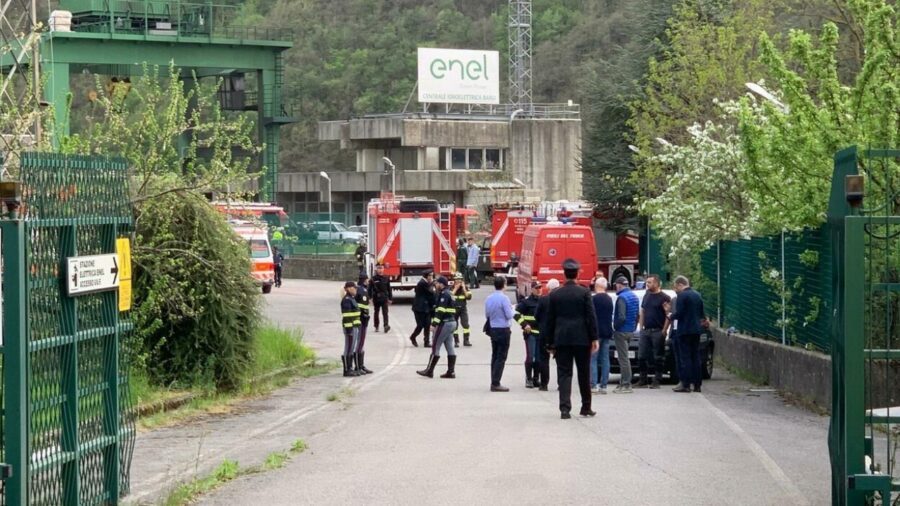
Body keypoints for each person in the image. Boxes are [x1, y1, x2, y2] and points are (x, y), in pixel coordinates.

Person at [545, 259, 600, 419]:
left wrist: (549, 342)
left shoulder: (555, 294)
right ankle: (586, 407)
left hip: (562, 338)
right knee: (584, 372)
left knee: (564, 373)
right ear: (577, 273)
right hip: (582, 339)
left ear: (564, 274)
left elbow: (550, 320)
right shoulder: (584, 293)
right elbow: (591, 316)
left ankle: (564, 409)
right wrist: (594, 337)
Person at [667, 276, 706, 393]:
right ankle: (697, 384)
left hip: (684, 330)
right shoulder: (697, 295)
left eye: (675, 287)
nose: (675, 289)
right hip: (696, 330)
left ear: (680, 284)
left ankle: (686, 384)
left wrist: (670, 316)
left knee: (685, 358)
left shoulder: (682, 296)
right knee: (696, 356)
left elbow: (680, 313)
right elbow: (701, 313)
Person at [417, 276, 458, 378]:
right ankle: (451, 371)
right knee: (449, 346)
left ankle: (429, 371)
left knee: (435, 346)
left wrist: (434, 324)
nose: (435, 285)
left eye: (437, 283)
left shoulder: (444, 294)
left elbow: (441, 311)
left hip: (445, 323)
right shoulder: (450, 293)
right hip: (452, 322)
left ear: (441, 284)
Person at [635, 274, 670, 389]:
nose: (647, 284)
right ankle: (642, 379)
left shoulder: (664, 297)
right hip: (646, 331)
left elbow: (668, 315)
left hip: (657, 330)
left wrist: (664, 330)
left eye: (649, 282)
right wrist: (641, 327)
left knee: (658, 356)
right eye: (647, 282)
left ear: (656, 283)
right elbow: (643, 311)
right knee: (641, 355)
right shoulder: (647, 295)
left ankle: (657, 379)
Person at [485, 276, 514, 392]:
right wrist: (513, 309)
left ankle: (493, 379)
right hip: (503, 329)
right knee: (501, 356)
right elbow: (509, 315)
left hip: (493, 328)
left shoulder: (489, 298)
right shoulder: (504, 299)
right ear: (504, 284)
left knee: (495, 354)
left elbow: (487, 314)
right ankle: (496, 382)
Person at [533, 278, 560, 391]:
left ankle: (544, 384)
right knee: (561, 361)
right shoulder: (562, 299)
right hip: (559, 333)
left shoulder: (543, 300)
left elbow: (536, 315)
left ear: (548, 288)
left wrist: (541, 324)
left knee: (544, 359)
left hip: (544, 333)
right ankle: (561, 384)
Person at [612, 276, 639, 394]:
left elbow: (621, 316)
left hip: (621, 331)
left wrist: (615, 326)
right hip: (630, 330)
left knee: (623, 359)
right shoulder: (634, 296)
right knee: (625, 357)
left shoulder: (622, 298)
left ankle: (626, 384)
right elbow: (637, 315)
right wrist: (633, 327)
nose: (615, 288)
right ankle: (622, 382)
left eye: (615, 285)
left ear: (619, 285)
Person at [515, 281, 543, 388]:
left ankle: (536, 379)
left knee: (539, 358)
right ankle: (529, 379)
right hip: (530, 333)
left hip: (540, 334)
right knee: (530, 357)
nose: (539, 289)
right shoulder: (526, 302)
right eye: (536, 288)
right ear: (532, 289)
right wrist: (524, 324)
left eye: (540, 287)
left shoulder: (543, 301)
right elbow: (516, 313)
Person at [590, 277, 614, 394]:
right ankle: (604, 385)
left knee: (593, 358)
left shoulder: (593, 299)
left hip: (596, 332)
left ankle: (593, 384)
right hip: (607, 331)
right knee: (605, 358)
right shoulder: (609, 299)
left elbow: (591, 317)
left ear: (596, 286)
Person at [340, 281, 362, 377]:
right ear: (348, 288)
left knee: (351, 348)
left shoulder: (352, 299)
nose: (356, 289)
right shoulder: (347, 300)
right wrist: (349, 330)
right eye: (354, 288)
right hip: (350, 328)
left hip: (354, 327)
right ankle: (346, 369)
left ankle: (350, 368)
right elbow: (347, 316)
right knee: (348, 348)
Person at [354, 273, 373, 374]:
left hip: (364, 319)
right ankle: (358, 366)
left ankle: (361, 365)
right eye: (366, 279)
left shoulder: (364, 289)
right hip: (361, 319)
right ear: (363, 280)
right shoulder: (360, 290)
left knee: (362, 343)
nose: (368, 281)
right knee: (360, 343)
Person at [410, 271, 435, 347]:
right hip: (419, 308)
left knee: (427, 324)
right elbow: (431, 292)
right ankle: (413, 337)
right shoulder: (422, 283)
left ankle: (426, 342)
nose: (431, 277)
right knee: (420, 325)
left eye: (432, 276)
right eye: (430, 276)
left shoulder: (427, 283)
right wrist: (434, 285)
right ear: (426, 276)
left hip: (427, 308)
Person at [369, 263, 392, 333]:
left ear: (383, 269)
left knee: (385, 312)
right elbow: (369, 289)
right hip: (376, 298)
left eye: (381, 268)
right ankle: (376, 326)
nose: (380, 270)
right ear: (376, 269)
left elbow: (389, 289)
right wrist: (370, 298)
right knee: (376, 312)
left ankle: (386, 325)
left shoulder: (386, 278)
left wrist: (390, 299)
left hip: (384, 297)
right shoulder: (373, 279)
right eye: (379, 268)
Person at [452, 272, 473, 346]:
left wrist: (464, 289)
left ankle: (466, 341)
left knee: (465, 325)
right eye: (456, 279)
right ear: (454, 280)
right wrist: (455, 288)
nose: (458, 281)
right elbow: (449, 296)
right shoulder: (451, 287)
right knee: (454, 326)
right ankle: (456, 341)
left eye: (460, 279)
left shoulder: (466, 287)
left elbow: (469, 297)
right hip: (454, 309)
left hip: (463, 309)